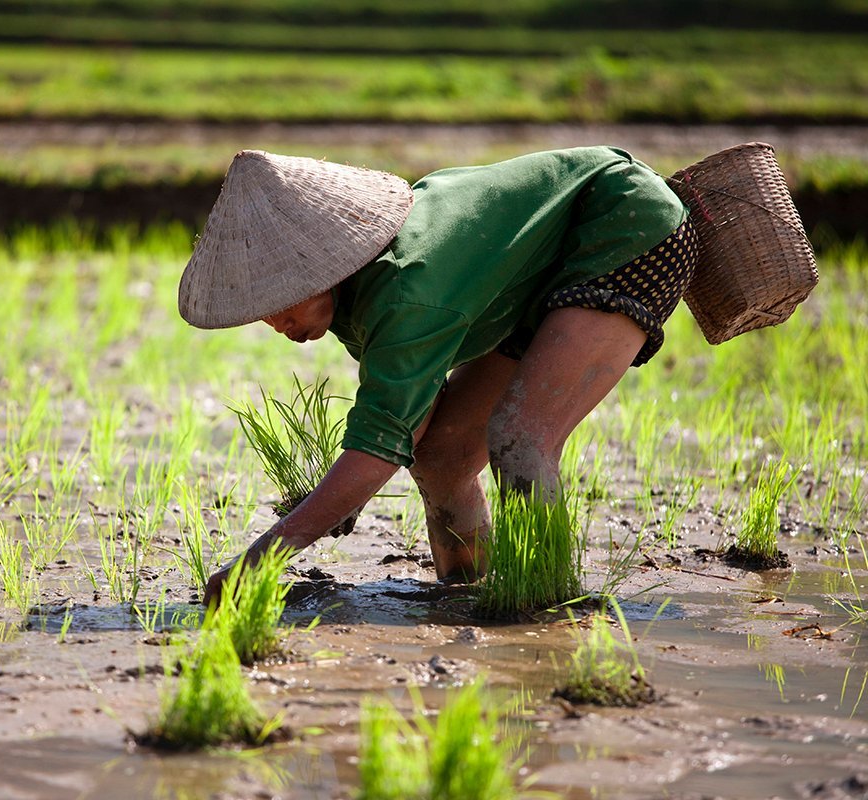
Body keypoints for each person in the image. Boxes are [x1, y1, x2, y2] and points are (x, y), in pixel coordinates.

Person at [179, 147, 696, 607]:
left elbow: (379, 449)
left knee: (521, 436)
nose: (276, 323)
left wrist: (261, 559)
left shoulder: (406, 292)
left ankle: (542, 606)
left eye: (280, 300)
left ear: (325, 270)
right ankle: (466, 591)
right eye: (261, 310)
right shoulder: (355, 296)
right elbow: (408, 422)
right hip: (535, 279)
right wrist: (337, 497)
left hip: (624, 226)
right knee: (443, 455)